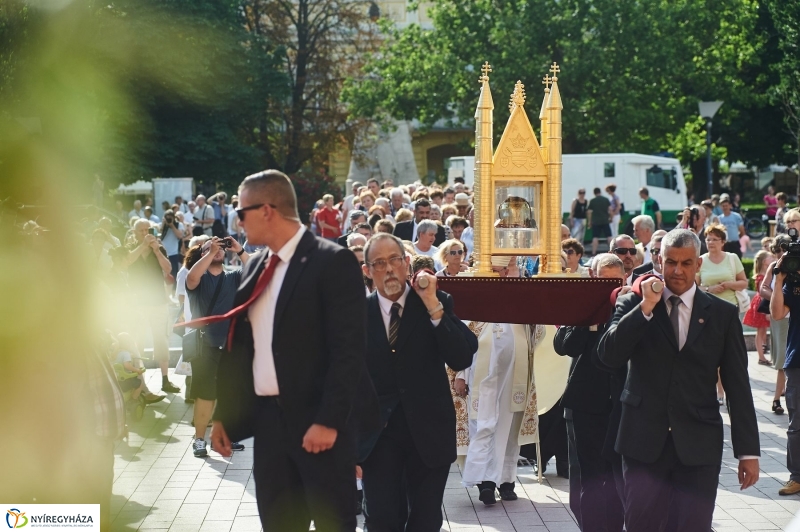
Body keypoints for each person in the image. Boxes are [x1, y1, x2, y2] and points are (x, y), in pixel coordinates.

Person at [211, 170, 376, 531]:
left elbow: (348, 350)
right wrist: (224, 413)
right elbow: (240, 347)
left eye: (242, 212)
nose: (237, 220)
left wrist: (329, 420)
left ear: (267, 209)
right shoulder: (254, 265)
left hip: (321, 426)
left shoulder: (332, 261)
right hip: (270, 425)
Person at [598, 229, 760, 531]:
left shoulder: (722, 315)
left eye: (686, 263)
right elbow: (608, 355)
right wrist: (645, 308)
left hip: (698, 445)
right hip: (642, 443)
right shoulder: (634, 303)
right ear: (659, 261)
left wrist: (748, 452)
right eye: (671, 262)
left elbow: (738, 385)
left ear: (698, 265)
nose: (677, 271)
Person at [359, 233, 476, 531]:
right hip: (378, 436)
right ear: (367, 270)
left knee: (425, 520)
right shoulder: (356, 315)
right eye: (380, 263)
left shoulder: (435, 303)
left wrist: (433, 307)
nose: (389, 269)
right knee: (382, 519)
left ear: (407, 263)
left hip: (428, 432)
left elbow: (462, 355)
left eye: (395, 260)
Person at [460, 257, 545, 505]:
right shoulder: (477, 295)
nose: (504, 273)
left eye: (508, 267)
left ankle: (506, 480)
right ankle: (485, 482)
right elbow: (464, 337)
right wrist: (461, 374)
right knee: (483, 424)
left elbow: (537, 332)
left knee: (509, 428)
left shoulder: (522, 295)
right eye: (499, 268)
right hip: (482, 373)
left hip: (515, 372)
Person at [555, 254, 626, 532]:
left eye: (615, 282)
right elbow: (564, 346)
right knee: (588, 478)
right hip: (585, 405)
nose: (608, 288)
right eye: (602, 281)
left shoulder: (633, 306)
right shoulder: (580, 305)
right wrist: (590, 318)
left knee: (619, 477)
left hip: (621, 404)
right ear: (592, 278)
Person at [185, 236, 250, 458]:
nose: (217, 249)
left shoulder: (233, 277)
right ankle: (199, 440)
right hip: (205, 345)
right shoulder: (198, 279)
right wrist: (210, 251)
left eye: (220, 247)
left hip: (230, 344)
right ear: (201, 254)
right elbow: (192, 276)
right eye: (209, 248)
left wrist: (239, 250)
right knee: (205, 395)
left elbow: (256, 271)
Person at [125, 219, 181, 394]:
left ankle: (165, 379)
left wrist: (156, 251)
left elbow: (168, 269)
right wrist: (143, 246)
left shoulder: (159, 248)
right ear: (134, 232)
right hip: (138, 304)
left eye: (147, 229)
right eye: (141, 230)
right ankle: (141, 382)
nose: (144, 233)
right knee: (138, 343)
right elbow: (126, 262)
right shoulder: (131, 248)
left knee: (161, 341)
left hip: (158, 302)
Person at [769, 240, 800, 496]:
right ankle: (797, 477)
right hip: (798, 359)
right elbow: (777, 313)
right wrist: (778, 279)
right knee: (796, 424)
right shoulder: (793, 284)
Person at [763, 234, 792, 416]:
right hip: (780, 318)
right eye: (778, 250)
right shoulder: (774, 267)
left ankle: (787, 397)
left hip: (794, 316)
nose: (781, 253)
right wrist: (776, 298)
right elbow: (763, 288)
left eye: (785, 250)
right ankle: (777, 399)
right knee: (782, 359)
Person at [743, 250, 775, 366]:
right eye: (770, 257)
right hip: (762, 305)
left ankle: (762, 356)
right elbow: (762, 293)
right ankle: (761, 357)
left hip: (761, 303)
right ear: (764, 261)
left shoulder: (764, 274)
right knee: (760, 331)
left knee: (762, 331)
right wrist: (767, 311)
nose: (772, 258)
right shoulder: (762, 277)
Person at [159, 210, 185, 281]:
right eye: (167, 218)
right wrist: (164, 224)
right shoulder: (161, 225)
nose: (169, 220)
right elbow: (159, 236)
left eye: (170, 218)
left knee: (173, 275)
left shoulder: (178, 225)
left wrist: (172, 225)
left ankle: (173, 290)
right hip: (163, 253)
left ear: (174, 218)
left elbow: (180, 235)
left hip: (173, 253)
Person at [717, 194, 745, 258]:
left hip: (735, 243)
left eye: (726, 205)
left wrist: (736, 238)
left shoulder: (736, 216)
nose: (725, 207)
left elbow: (742, 231)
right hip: (724, 244)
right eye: (723, 206)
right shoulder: (719, 218)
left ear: (730, 206)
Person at [587, 187, 611, 256]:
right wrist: (610, 218)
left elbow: (589, 212)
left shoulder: (592, 200)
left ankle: (593, 252)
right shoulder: (606, 199)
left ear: (594, 193)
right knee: (609, 236)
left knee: (595, 237)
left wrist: (589, 222)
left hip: (596, 222)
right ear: (600, 192)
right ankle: (612, 251)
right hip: (605, 220)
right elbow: (610, 209)